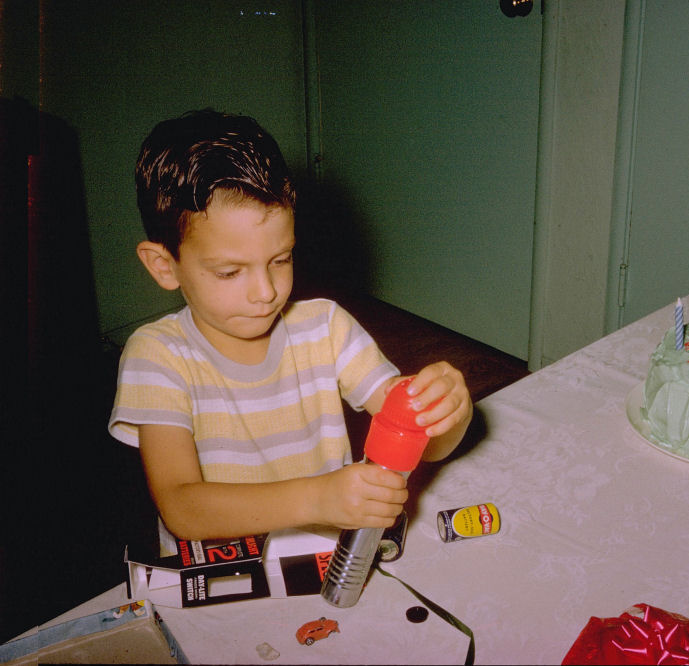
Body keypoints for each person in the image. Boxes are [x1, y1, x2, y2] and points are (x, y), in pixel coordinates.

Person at [108, 109, 472, 553]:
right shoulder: (156, 356)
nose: (265, 291)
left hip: (323, 557)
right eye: (229, 272)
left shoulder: (325, 326)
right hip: (222, 580)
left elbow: (424, 443)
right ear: (165, 266)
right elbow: (182, 509)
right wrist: (318, 497)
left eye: (280, 260)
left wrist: (445, 415)